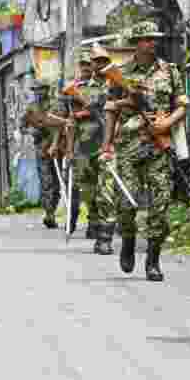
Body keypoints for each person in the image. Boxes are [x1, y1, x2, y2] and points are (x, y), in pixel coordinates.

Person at [100, 21, 188, 282]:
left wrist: (167, 123)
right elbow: (110, 110)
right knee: (125, 204)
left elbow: (183, 105)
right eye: (147, 38)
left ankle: (153, 260)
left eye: (154, 38)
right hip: (128, 146)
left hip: (159, 146)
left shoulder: (169, 71)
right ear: (137, 43)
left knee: (160, 206)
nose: (152, 42)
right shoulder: (121, 74)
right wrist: (107, 145)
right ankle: (128, 241)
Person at [61, 44, 117, 254]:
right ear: (92, 65)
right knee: (89, 192)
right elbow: (72, 121)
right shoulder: (80, 88)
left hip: (108, 145)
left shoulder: (116, 85)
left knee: (106, 191)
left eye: (104, 61)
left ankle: (105, 236)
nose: (101, 65)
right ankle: (94, 221)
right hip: (84, 147)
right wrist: (69, 150)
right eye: (97, 62)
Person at [22, 79, 74, 229]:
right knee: (45, 181)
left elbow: (59, 126)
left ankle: (56, 209)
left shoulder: (56, 105)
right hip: (41, 148)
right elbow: (22, 125)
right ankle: (49, 213)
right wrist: (30, 130)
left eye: (40, 89)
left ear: (47, 90)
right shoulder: (31, 107)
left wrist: (55, 144)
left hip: (57, 148)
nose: (38, 93)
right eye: (35, 90)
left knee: (57, 182)